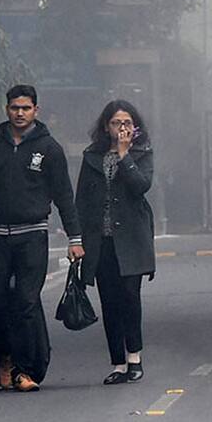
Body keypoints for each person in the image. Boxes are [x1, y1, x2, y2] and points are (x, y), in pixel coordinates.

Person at [0, 84, 84, 392]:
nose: (19, 113)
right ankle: (4, 356)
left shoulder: (49, 149)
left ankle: (23, 370)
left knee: (25, 302)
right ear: (6, 109)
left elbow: (64, 196)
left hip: (32, 236)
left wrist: (75, 237)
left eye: (25, 108)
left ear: (36, 110)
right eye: (14, 108)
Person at [75, 100, 155, 385]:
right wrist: (77, 238)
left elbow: (141, 186)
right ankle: (118, 363)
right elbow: (82, 199)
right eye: (115, 123)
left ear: (135, 127)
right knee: (109, 301)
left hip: (131, 239)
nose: (121, 128)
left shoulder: (142, 153)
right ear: (105, 126)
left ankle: (135, 357)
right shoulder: (92, 156)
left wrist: (124, 156)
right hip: (101, 240)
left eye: (127, 123)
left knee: (130, 298)